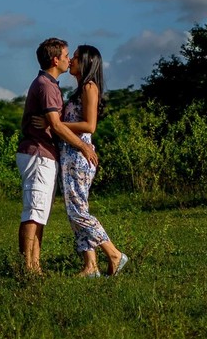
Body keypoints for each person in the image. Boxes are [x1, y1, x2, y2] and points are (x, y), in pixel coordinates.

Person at [40, 44, 128, 278]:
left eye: (76, 57)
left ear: (87, 62)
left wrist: (55, 125)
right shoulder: (80, 89)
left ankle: (114, 254)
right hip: (69, 154)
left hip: (79, 155)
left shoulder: (90, 87)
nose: (71, 60)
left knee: (78, 212)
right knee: (76, 211)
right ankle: (90, 266)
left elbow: (90, 125)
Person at [16, 38, 98, 275]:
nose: (69, 59)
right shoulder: (47, 86)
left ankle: (35, 266)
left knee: (39, 213)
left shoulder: (48, 85)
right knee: (34, 212)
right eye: (66, 55)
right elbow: (56, 124)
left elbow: (52, 123)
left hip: (43, 153)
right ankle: (28, 268)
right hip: (38, 153)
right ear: (55, 60)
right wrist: (83, 147)